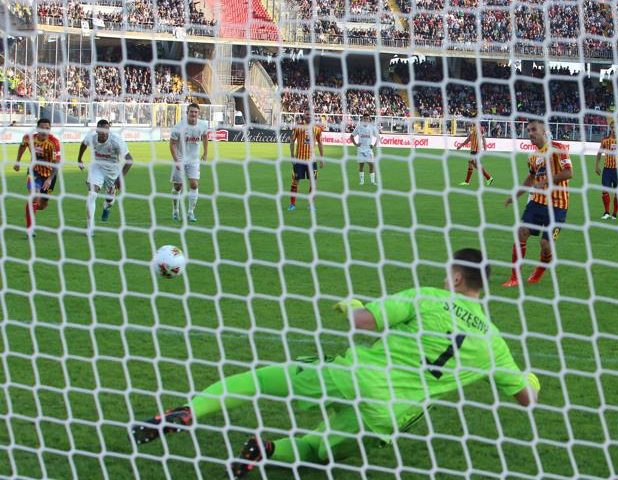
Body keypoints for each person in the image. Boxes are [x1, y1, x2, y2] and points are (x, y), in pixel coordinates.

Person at [131, 248, 540, 478]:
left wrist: (354, 305)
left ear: (455, 278)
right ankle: (267, 450)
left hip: (353, 376)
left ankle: (189, 411)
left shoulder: (430, 296)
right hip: (391, 413)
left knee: (259, 381)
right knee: (319, 452)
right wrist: (532, 381)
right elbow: (524, 398)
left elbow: (364, 323)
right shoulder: (494, 343)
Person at [502, 119, 573, 287]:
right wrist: (516, 195)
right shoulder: (533, 156)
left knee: (545, 244)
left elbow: (569, 172)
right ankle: (514, 277)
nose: (530, 133)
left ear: (544, 131)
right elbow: (531, 178)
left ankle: (540, 270)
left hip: (558, 205)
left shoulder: (558, 148)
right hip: (537, 202)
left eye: (534, 130)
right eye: (528, 131)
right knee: (521, 232)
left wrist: (547, 181)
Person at [77, 120, 133, 234]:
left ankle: (107, 206)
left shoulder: (116, 141)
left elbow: (130, 160)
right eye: (101, 130)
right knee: (92, 194)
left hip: (112, 172)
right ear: (97, 130)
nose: (103, 132)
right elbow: (83, 144)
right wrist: (79, 159)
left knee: (110, 199)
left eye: (106, 130)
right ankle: (90, 228)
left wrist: (120, 179)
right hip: (96, 167)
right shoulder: (91, 137)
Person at [13, 118, 61, 237]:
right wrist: (17, 162)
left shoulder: (54, 143)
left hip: (50, 175)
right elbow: (22, 146)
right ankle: (30, 229)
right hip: (34, 171)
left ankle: (31, 207)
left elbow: (57, 164)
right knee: (34, 196)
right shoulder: (28, 138)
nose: (44, 131)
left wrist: (49, 179)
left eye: (47, 129)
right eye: (42, 128)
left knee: (42, 205)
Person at [170, 103, 209, 222]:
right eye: (191, 112)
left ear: (198, 114)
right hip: (180, 158)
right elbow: (172, 144)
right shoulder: (179, 126)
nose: (193, 114)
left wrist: (205, 152)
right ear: (187, 113)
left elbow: (205, 137)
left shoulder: (203, 125)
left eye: (196, 112)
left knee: (194, 184)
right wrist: (176, 160)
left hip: (194, 160)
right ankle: (175, 210)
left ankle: (190, 212)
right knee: (178, 187)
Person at [288, 112, 324, 211]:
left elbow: (320, 143)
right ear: (304, 116)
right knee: (295, 182)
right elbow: (292, 140)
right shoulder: (298, 127)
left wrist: (322, 158)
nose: (308, 116)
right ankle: (292, 204)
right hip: (299, 160)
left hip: (312, 161)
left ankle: (311, 204)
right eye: (307, 114)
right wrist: (292, 155)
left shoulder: (317, 129)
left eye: (310, 115)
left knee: (313, 183)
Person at [595, 124, 618, 220]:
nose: (614, 130)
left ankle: (614, 213)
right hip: (607, 169)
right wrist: (597, 165)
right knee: (604, 190)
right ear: (610, 129)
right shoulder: (605, 140)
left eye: (616, 128)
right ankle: (606, 212)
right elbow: (599, 153)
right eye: (613, 128)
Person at [457, 122, 494, 186]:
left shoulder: (480, 129)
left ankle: (489, 177)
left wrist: (485, 149)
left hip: (477, 150)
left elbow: (483, 139)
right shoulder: (473, 129)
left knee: (472, 163)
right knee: (471, 165)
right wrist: (461, 145)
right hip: (473, 150)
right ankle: (467, 182)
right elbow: (468, 139)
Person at [350, 112, 379, 185]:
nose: (366, 120)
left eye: (367, 118)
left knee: (371, 165)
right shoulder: (359, 127)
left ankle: (372, 182)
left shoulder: (372, 127)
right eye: (365, 118)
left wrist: (374, 145)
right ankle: (362, 181)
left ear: (369, 119)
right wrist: (356, 144)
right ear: (362, 119)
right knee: (361, 165)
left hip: (369, 149)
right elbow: (351, 136)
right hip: (361, 149)